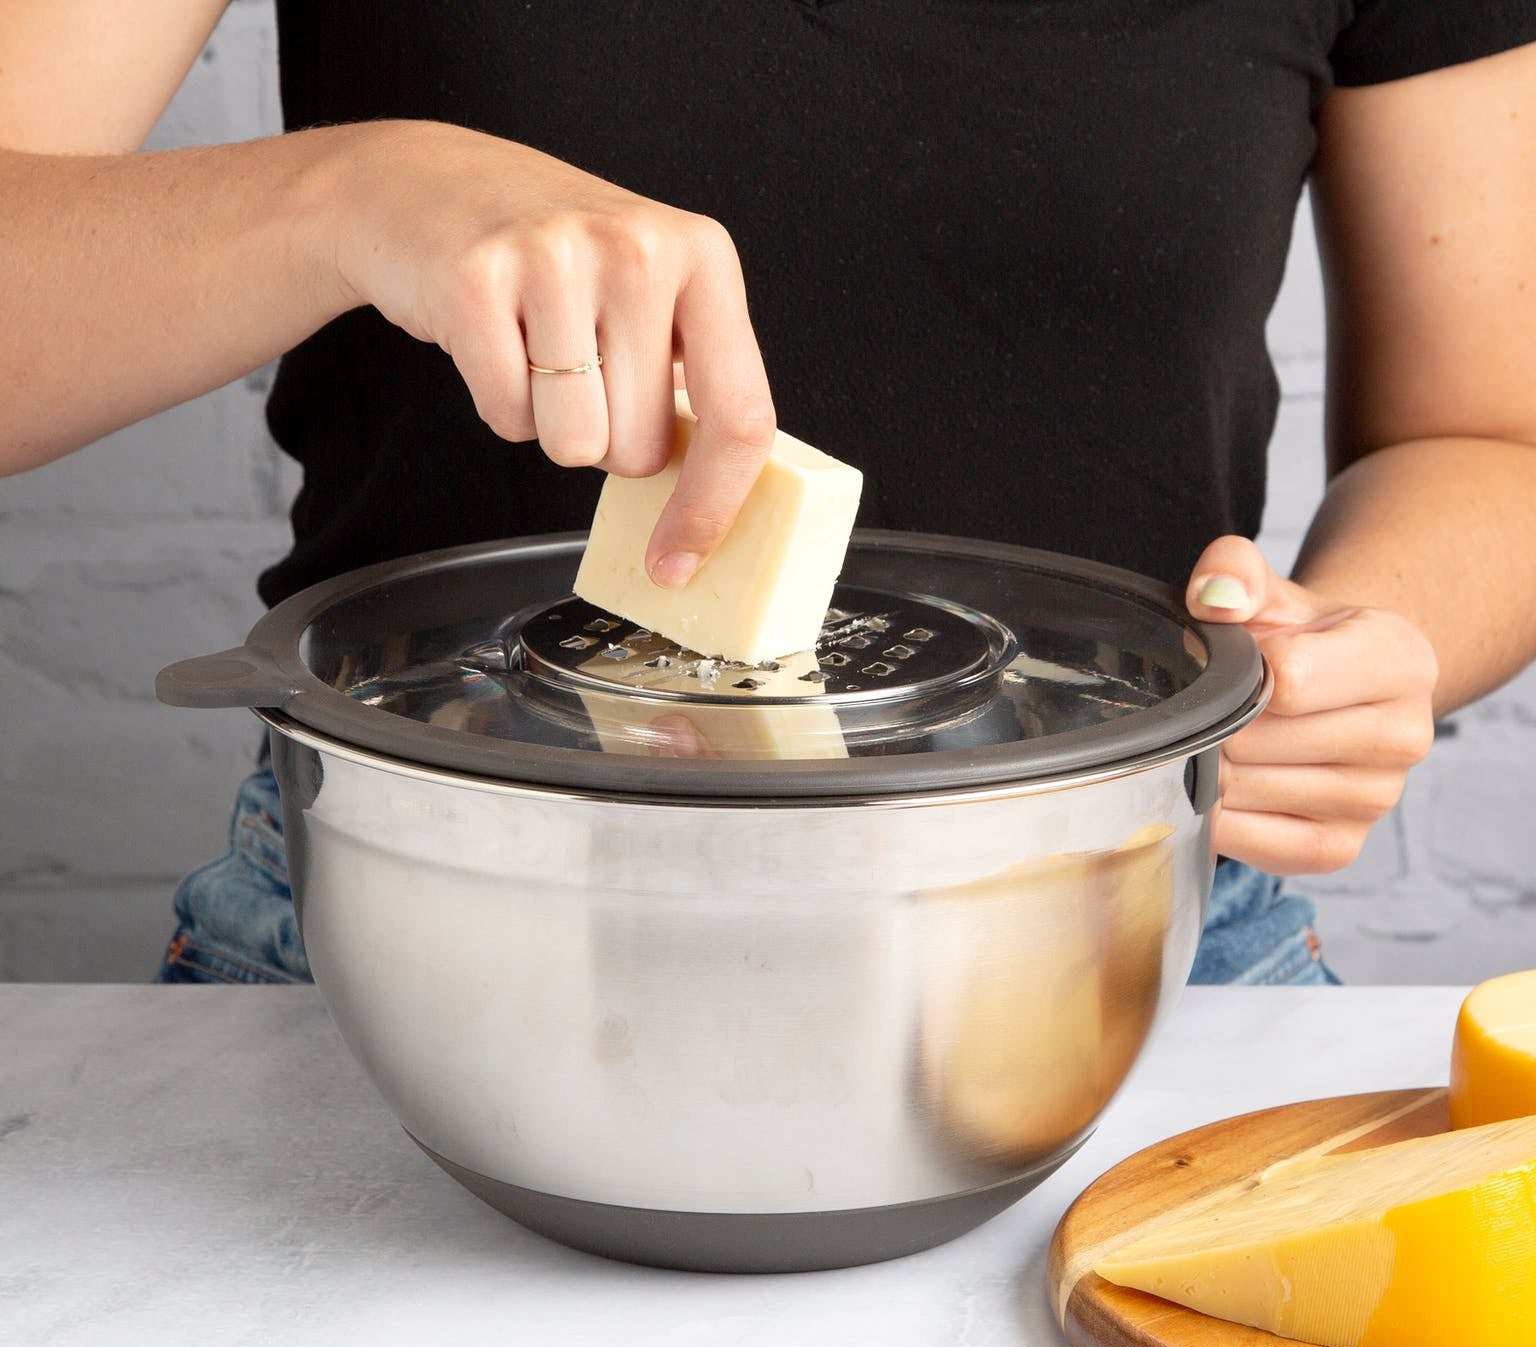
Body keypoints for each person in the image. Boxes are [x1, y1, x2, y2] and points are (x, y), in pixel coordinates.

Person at [4, 2, 1536, 987]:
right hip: (424, 942)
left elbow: (1490, 433)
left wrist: (1349, 651)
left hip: (1131, 952)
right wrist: (352, 194)